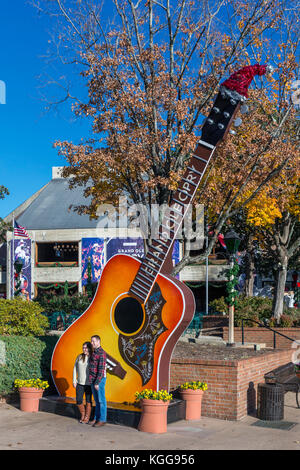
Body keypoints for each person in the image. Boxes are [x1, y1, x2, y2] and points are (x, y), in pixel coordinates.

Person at [89, 335, 107, 427]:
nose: (92, 343)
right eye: (91, 341)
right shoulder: (94, 352)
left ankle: (102, 419)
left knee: (101, 400)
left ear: (98, 341)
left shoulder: (102, 353)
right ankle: (96, 418)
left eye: (93, 341)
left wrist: (97, 382)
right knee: (96, 400)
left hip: (99, 380)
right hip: (93, 379)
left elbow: (101, 369)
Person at [73, 342, 93, 424]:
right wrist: (74, 380)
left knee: (88, 400)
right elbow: (75, 368)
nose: (84, 349)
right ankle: (83, 414)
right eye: (83, 348)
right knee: (78, 400)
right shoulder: (80, 356)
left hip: (89, 383)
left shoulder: (92, 357)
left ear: (89, 348)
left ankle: (87, 417)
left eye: (85, 347)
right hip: (80, 383)